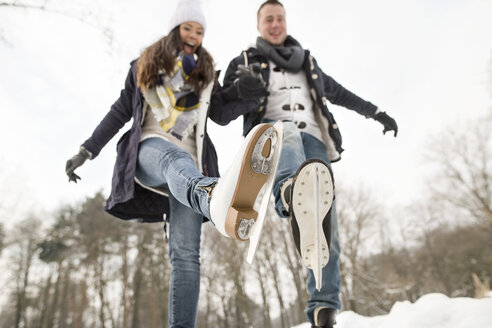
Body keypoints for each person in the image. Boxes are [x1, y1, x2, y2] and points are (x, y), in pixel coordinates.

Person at [64, 0, 281, 327]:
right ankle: (211, 196)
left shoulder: (206, 75)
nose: (194, 36)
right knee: (172, 157)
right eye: (188, 28)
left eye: (200, 31)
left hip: (193, 166)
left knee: (186, 258)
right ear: (175, 29)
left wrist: (245, 92)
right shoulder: (146, 67)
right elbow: (118, 113)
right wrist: (86, 150)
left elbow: (220, 114)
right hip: (151, 149)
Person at [210, 1, 398, 327]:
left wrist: (376, 112)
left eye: (279, 18)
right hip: (271, 139)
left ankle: (324, 308)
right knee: (287, 133)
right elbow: (220, 114)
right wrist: (240, 91)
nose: (275, 24)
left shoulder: (306, 62)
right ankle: (288, 190)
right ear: (259, 26)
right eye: (268, 19)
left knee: (327, 223)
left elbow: (340, 93)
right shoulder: (245, 61)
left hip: (315, 140)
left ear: (286, 22)